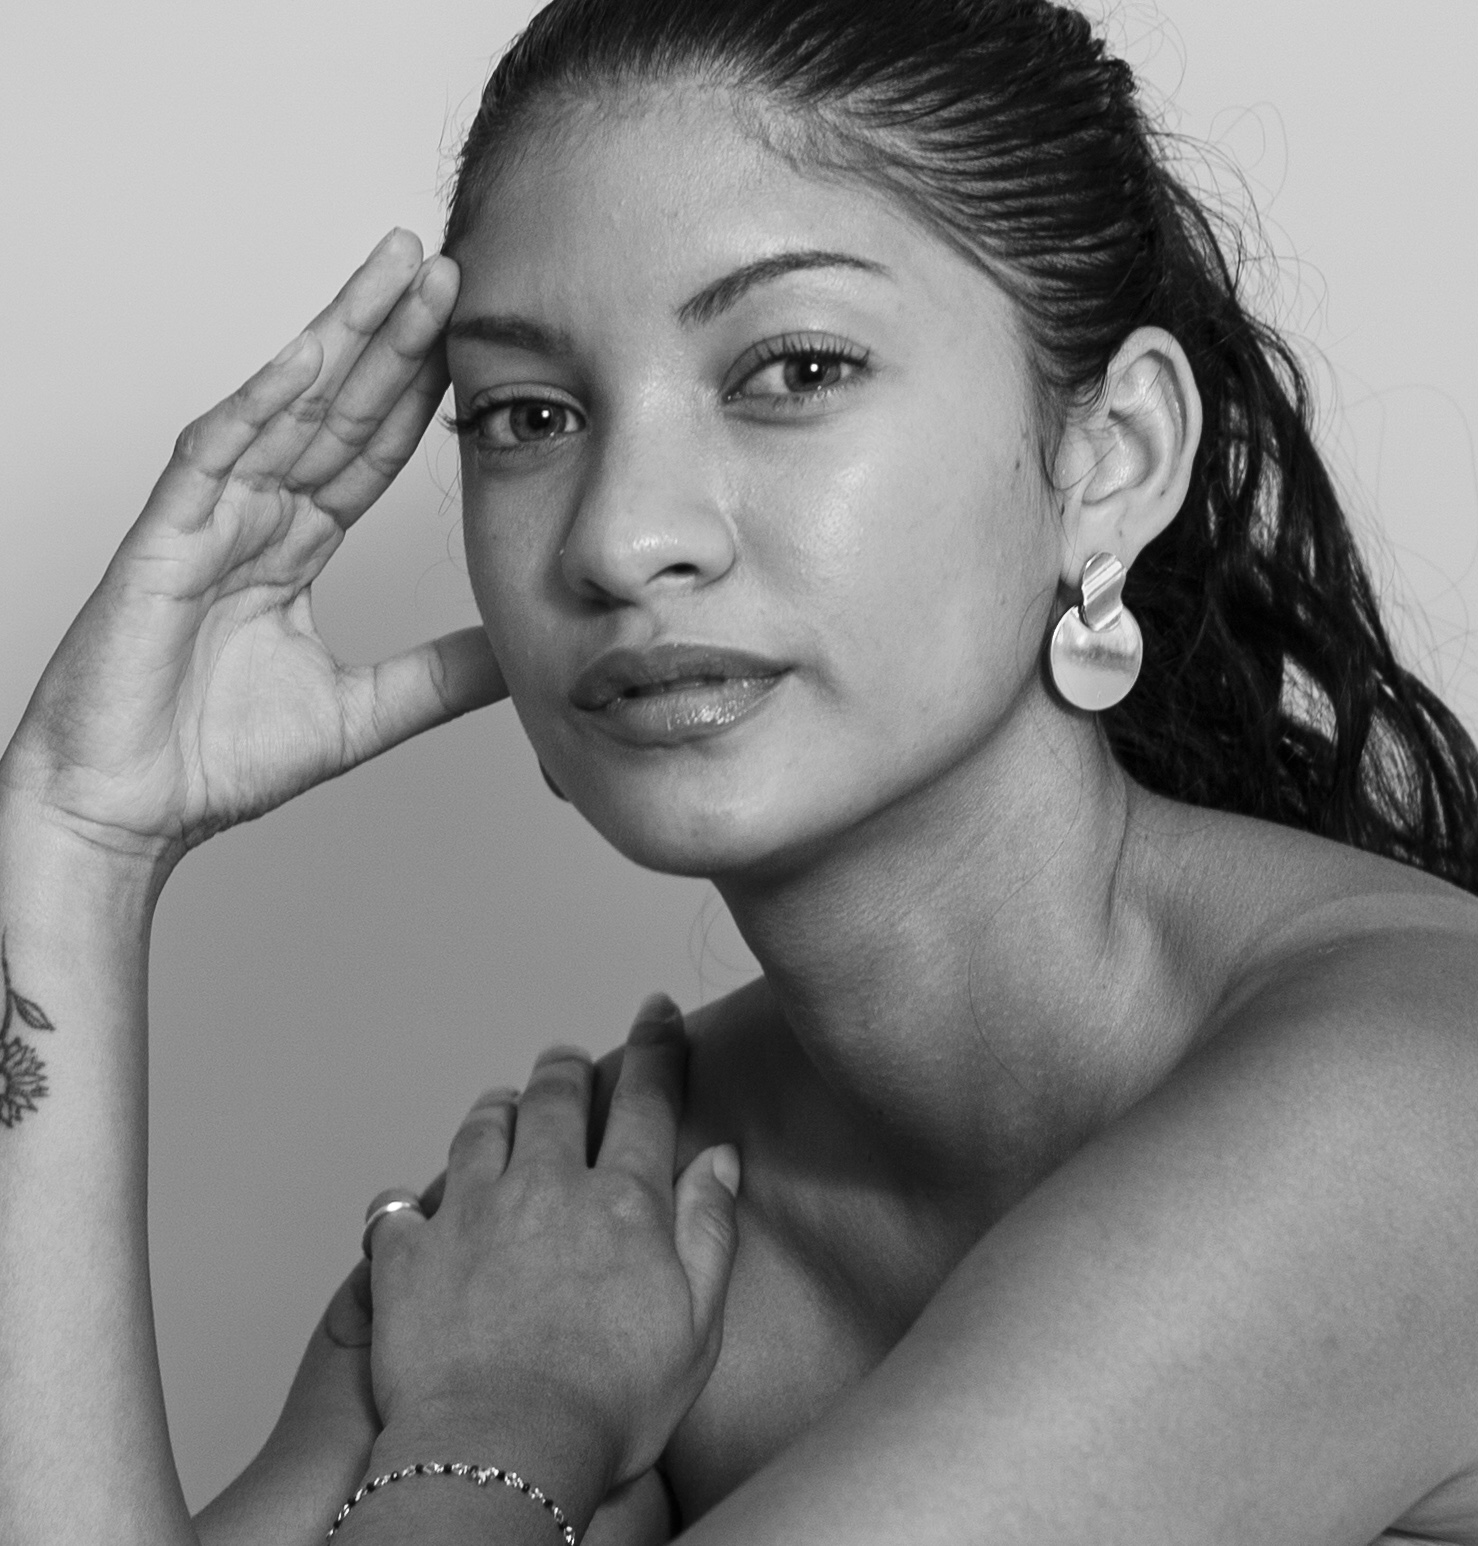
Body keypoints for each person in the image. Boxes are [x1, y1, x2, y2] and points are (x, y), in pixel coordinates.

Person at [3, 0, 1478, 1542]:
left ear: (1110, 456)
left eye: (792, 369)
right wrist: (73, 838)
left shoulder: (1400, 1103)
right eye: (527, 414)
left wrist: (497, 1423)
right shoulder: (576, 1230)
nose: (619, 535)